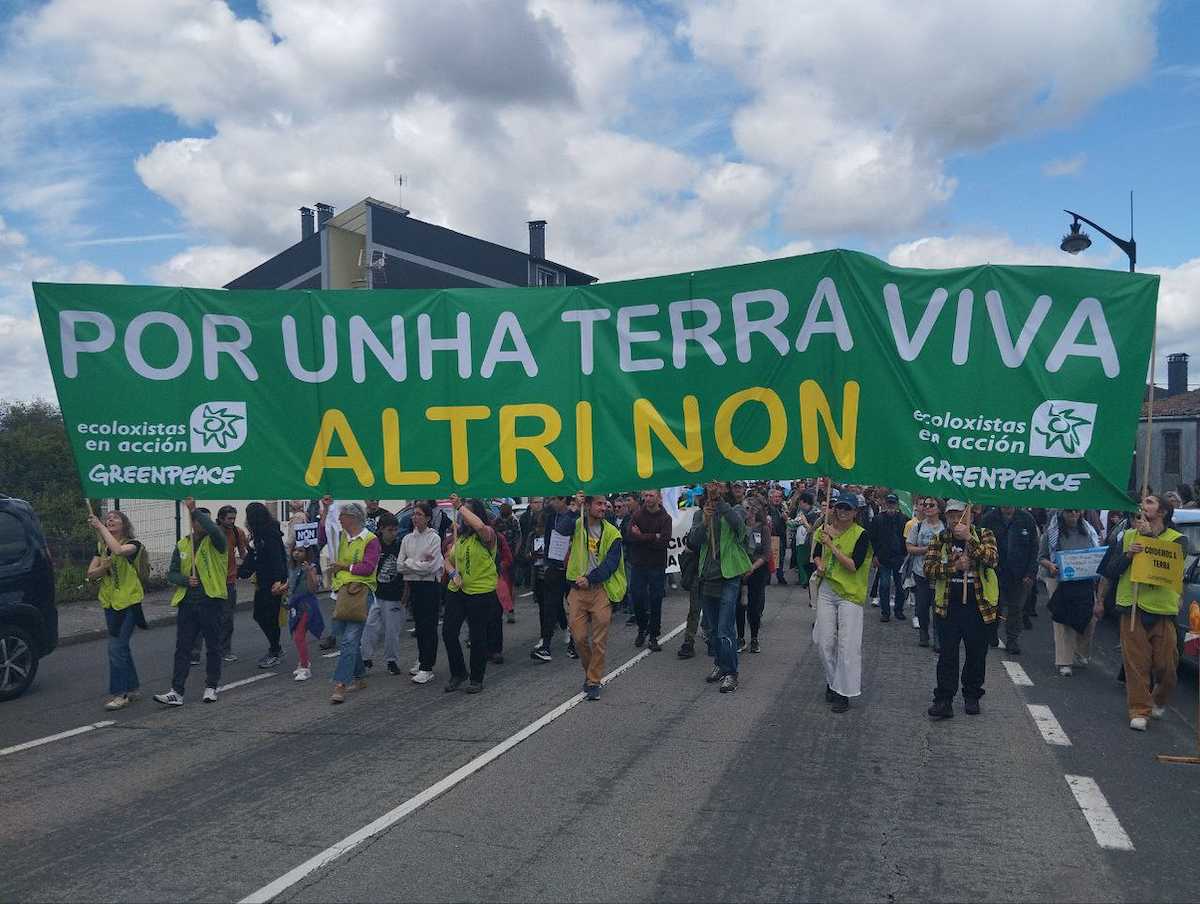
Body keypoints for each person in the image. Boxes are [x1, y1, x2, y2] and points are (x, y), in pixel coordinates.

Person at [1101, 494, 1189, 731]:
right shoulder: (1129, 535)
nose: (1143, 505)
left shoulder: (1179, 539)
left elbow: (1170, 564)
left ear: (1162, 512)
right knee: (1137, 665)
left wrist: (1149, 538)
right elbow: (1111, 569)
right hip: (1134, 608)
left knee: (1167, 667)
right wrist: (1129, 555)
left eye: (1150, 502)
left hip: (1163, 610)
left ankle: (1158, 698)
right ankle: (1139, 710)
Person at [924, 500, 999, 719]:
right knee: (947, 654)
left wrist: (969, 540)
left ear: (970, 516)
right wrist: (954, 567)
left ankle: (972, 694)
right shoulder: (940, 539)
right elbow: (929, 569)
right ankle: (944, 699)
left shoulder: (984, 534)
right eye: (951, 516)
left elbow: (992, 559)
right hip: (948, 607)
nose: (955, 520)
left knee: (976, 654)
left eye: (960, 515)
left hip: (978, 607)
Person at [154, 498, 228, 706]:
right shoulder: (183, 544)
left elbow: (213, 529)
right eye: (197, 520)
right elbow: (172, 574)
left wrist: (195, 510)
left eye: (204, 520)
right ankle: (176, 691)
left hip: (211, 601)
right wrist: (186, 580)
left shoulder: (216, 541)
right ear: (192, 523)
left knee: (213, 646)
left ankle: (211, 686)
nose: (201, 524)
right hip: (188, 603)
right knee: (183, 647)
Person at [558, 493, 626, 701]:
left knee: (598, 640)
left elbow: (611, 564)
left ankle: (593, 681)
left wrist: (590, 578)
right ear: (586, 505)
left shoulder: (613, 532)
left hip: (600, 590)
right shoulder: (577, 523)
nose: (603, 507)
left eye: (605, 504)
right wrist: (572, 508)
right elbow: (561, 530)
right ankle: (591, 673)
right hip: (577, 592)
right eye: (598, 503)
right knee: (578, 638)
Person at [686, 480, 751, 694]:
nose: (716, 487)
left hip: (729, 576)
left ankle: (731, 673)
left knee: (725, 629)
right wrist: (704, 521)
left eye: (721, 485)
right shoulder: (700, 513)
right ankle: (720, 664)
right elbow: (694, 541)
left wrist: (719, 502)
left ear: (727, 489)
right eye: (712, 485)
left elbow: (740, 529)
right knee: (712, 629)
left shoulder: (736, 509)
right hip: (708, 577)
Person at [811, 492, 872, 712]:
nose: (843, 512)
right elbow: (817, 554)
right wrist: (819, 563)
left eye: (848, 508)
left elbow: (853, 565)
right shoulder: (823, 529)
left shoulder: (861, 534)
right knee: (823, 641)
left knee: (847, 645)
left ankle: (843, 692)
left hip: (850, 594)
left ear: (856, 512)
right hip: (827, 589)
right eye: (840, 507)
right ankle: (832, 681)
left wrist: (832, 545)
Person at [320, 500, 380, 704]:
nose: (339, 520)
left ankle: (340, 684)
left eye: (342, 516)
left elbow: (368, 568)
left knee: (349, 639)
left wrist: (345, 567)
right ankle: (360, 677)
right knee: (346, 637)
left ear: (352, 518)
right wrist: (325, 508)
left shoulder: (370, 540)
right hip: (344, 592)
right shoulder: (343, 537)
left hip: (361, 592)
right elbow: (323, 533)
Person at [88, 509, 146, 711]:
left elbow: (119, 552)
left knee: (115, 648)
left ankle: (120, 694)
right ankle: (133, 687)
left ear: (124, 524)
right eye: (107, 518)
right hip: (110, 604)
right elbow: (91, 573)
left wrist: (101, 527)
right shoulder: (101, 546)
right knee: (122, 648)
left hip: (129, 604)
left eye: (115, 518)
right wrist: (104, 567)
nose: (110, 519)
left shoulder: (134, 545)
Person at [443, 498, 500, 694]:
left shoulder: (488, 535)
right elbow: (447, 560)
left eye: (468, 512)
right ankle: (458, 672)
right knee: (449, 632)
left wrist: (460, 506)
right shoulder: (461, 537)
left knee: (477, 636)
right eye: (462, 512)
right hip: (457, 591)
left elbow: (480, 526)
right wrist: (452, 573)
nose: (463, 516)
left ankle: (477, 678)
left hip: (480, 592)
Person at [1041, 508, 1099, 677]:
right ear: (1062, 513)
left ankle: (1080, 651)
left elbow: (1096, 554)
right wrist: (1051, 566)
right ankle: (1064, 661)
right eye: (1069, 512)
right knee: (1062, 619)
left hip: (1084, 580)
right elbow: (1042, 556)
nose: (1073, 515)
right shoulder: (1052, 533)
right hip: (1058, 580)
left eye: (1076, 511)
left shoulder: (1089, 531)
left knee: (1090, 618)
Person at [980, 505, 1039, 654]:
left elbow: (1034, 548)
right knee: (995, 605)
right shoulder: (989, 519)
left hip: (1019, 574)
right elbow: (980, 544)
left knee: (1016, 608)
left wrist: (1031, 573)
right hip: (995, 572)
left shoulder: (1027, 520)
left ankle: (1012, 640)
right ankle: (991, 632)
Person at [238, 502, 289, 669]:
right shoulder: (259, 534)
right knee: (261, 615)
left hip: (272, 583)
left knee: (269, 617)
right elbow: (254, 557)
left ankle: (275, 650)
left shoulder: (269, 534)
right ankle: (275, 648)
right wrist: (242, 571)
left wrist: (278, 580)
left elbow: (276, 557)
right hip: (263, 581)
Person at [400, 502, 444, 684]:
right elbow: (399, 565)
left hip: (430, 586)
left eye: (419, 514)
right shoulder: (407, 539)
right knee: (419, 626)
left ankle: (427, 666)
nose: (415, 517)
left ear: (427, 518)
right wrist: (417, 563)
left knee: (429, 626)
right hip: (414, 586)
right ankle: (422, 659)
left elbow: (431, 568)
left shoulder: (434, 538)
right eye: (414, 514)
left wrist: (411, 563)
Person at [627, 488, 673, 651]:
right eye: (645, 495)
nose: (648, 498)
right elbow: (630, 536)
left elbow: (664, 542)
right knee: (637, 598)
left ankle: (653, 635)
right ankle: (642, 627)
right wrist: (654, 536)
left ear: (659, 498)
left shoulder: (665, 518)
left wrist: (642, 536)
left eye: (651, 495)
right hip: (638, 564)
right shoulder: (637, 515)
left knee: (655, 600)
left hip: (656, 565)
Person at [363, 512, 405, 675]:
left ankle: (391, 660)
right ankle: (365, 658)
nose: (393, 533)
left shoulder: (399, 545)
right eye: (390, 530)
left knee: (392, 631)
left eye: (395, 530)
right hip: (375, 592)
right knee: (369, 626)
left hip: (394, 594)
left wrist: (405, 593)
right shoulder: (374, 545)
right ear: (381, 529)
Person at [279, 543, 323, 681]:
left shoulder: (311, 568)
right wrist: (281, 588)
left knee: (299, 636)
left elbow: (313, 588)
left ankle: (305, 667)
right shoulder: (292, 567)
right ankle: (303, 662)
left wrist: (309, 572)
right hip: (295, 605)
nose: (296, 553)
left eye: (301, 551)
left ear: (308, 553)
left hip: (306, 605)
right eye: (295, 550)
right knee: (297, 635)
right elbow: (290, 582)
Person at [906, 497, 944, 649]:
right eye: (925, 505)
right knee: (922, 606)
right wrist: (926, 550)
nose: (927, 507)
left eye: (931, 505)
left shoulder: (944, 526)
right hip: (921, 572)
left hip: (940, 573)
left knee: (938, 607)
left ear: (939, 509)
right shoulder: (918, 526)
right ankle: (923, 633)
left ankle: (938, 637)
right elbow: (909, 547)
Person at [869, 493, 908, 623]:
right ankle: (885, 612)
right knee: (884, 586)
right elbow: (872, 539)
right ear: (885, 504)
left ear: (897, 504)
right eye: (889, 503)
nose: (891, 505)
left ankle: (899, 610)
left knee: (900, 586)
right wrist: (874, 556)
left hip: (899, 557)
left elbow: (907, 539)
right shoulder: (877, 519)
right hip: (883, 558)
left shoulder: (904, 519)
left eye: (893, 503)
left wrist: (905, 554)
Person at [736, 502, 770, 654]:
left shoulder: (763, 528)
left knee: (754, 607)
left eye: (749, 509)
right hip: (739, 570)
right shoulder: (740, 527)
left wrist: (752, 567)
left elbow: (766, 553)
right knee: (739, 606)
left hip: (757, 571)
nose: (747, 511)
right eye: (745, 508)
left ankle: (754, 638)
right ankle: (740, 637)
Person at [494, 503, 523, 623]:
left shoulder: (514, 521)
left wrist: (516, 552)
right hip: (499, 557)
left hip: (510, 556)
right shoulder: (497, 521)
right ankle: (503, 610)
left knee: (509, 585)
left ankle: (510, 611)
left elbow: (519, 537)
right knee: (501, 585)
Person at [767, 486, 789, 585]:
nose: (777, 499)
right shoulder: (767, 508)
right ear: (770, 498)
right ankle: (767, 578)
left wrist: (786, 518)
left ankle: (780, 576)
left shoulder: (782, 508)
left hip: (781, 535)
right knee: (769, 557)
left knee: (781, 557)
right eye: (775, 496)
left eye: (779, 497)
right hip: (770, 536)